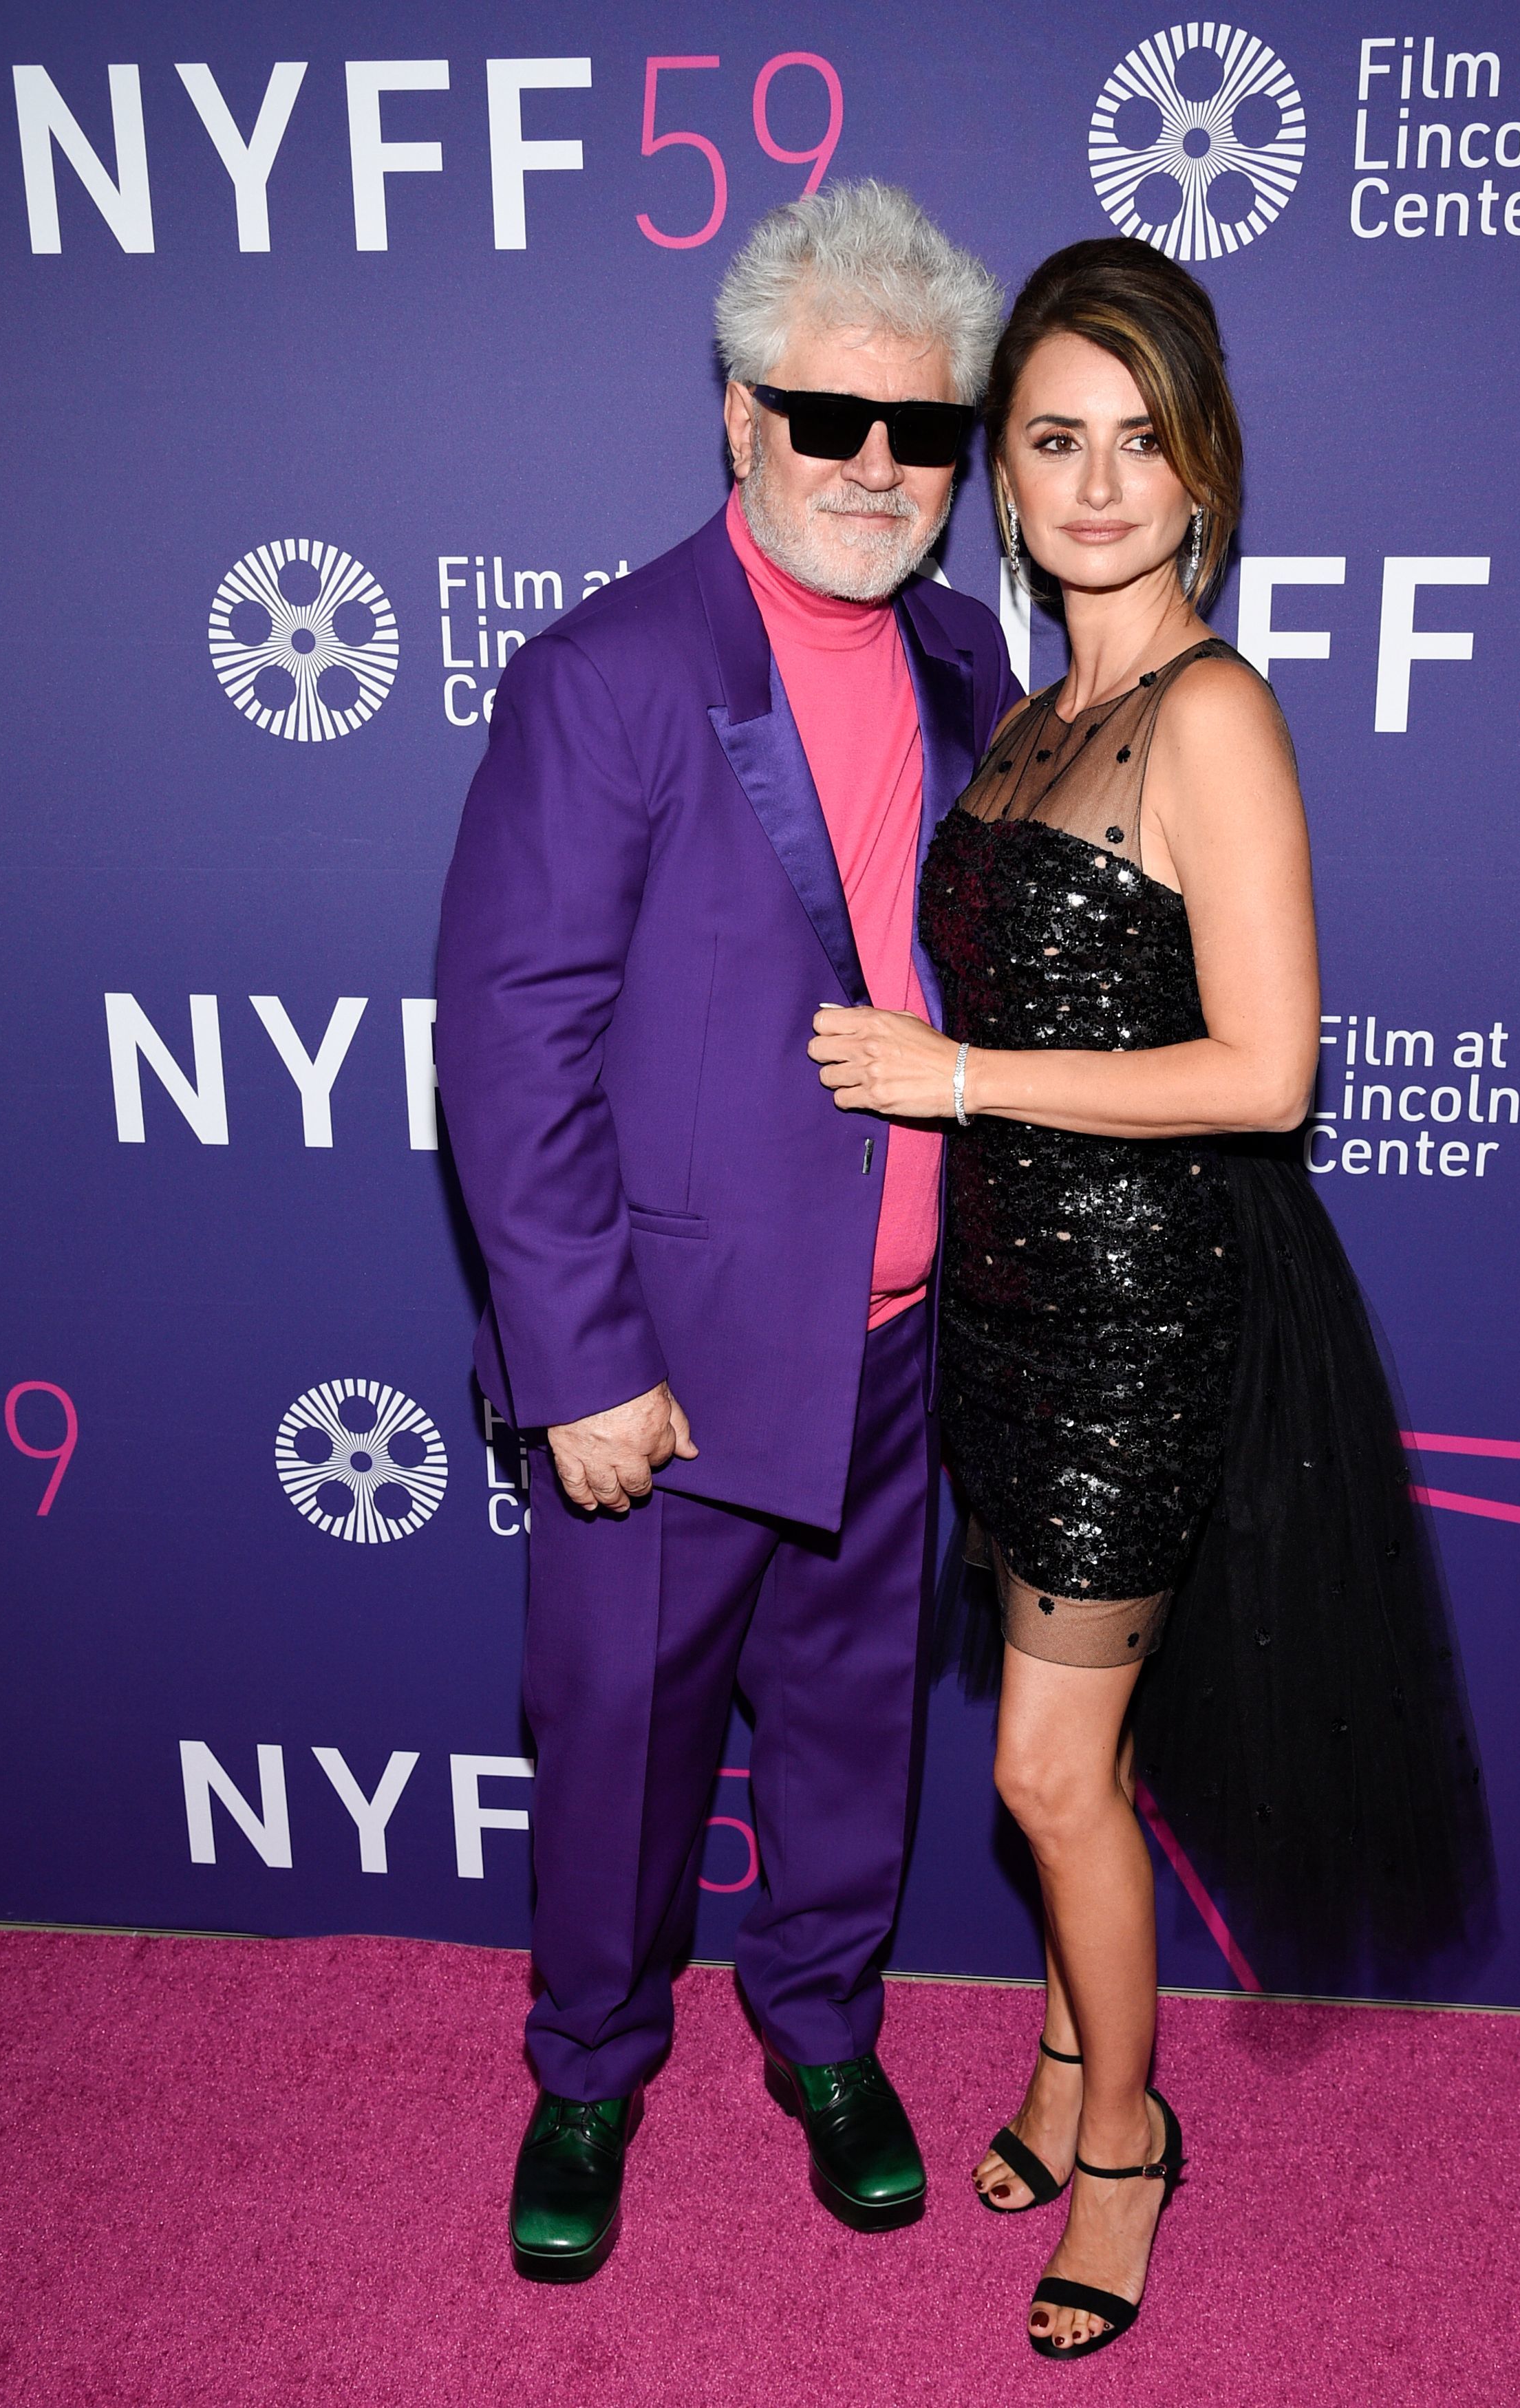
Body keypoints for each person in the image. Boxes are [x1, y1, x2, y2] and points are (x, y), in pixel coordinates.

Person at [809, 239, 1497, 2358]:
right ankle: (1051, 2062)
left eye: (1138, 440)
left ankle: (1124, 2137)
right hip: (1010, 1306)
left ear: (1201, 471)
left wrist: (953, 1079)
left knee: (1045, 1772)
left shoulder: (1208, 714)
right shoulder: (1038, 716)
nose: (1097, 484)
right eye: (1053, 440)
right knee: (1073, 1754)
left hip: (1139, 1318)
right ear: (1002, 478)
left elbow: (1265, 1071)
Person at [434, 181, 1016, 2282]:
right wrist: (580, 1362)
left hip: (896, 1342)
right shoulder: (607, 674)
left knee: (853, 1731)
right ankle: (588, 2067)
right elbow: (509, 1042)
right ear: (740, 417)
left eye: (919, 430)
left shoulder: (963, 653)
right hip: (665, 1366)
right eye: (825, 417)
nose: (874, 465)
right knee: (619, 1748)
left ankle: (825, 2031)